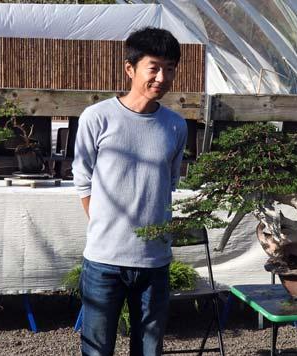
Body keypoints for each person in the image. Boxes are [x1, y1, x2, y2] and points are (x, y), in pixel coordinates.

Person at [72, 27, 188, 356]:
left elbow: (171, 182)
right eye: (153, 67)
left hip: (155, 260)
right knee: (96, 349)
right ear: (130, 68)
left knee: (149, 349)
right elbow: (83, 179)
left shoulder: (175, 126)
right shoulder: (98, 118)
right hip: (104, 261)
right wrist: (105, 229)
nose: (162, 77)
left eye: (170, 68)